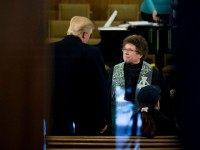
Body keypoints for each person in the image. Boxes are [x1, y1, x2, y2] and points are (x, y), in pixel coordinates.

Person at [48, 16, 108, 135]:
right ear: (85, 35)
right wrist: (102, 119)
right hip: (86, 116)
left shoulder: (50, 50)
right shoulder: (93, 53)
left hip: (56, 114)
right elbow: (100, 88)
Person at [107, 34, 162, 136]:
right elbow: (107, 96)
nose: (126, 52)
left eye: (130, 50)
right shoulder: (114, 70)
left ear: (140, 54)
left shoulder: (152, 72)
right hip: (118, 121)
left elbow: (158, 99)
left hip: (143, 123)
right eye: (124, 49)